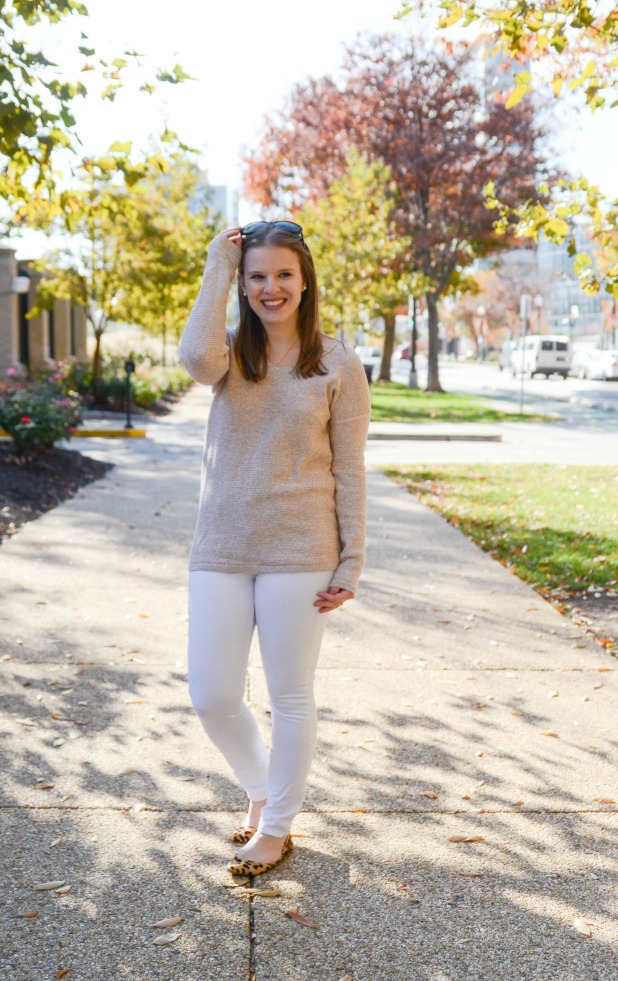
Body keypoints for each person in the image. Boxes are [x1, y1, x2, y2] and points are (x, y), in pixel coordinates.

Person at [178, 220, 371, 877]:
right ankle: (261, 786)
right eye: (257, 275)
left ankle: (278, 826)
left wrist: (351, 558)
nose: (271, 287)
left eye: (283, 274)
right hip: (222, 544)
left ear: (305, 278)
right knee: (211, 693)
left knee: (290, 694)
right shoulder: (231, 352)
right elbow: (192, 359)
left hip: (301, 548)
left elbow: (350, 468)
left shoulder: (338, 363)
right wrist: (217, 265)